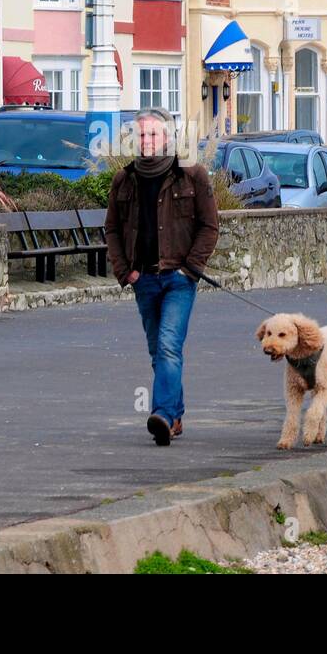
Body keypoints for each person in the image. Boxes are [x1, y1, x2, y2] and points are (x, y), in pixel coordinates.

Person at [104, 107, 220, 446]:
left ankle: (163, 416)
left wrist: (190, 268)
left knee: (170, 346)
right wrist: (126, 272)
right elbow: (112, 228)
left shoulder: (192, 175)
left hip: (179, 280)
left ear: (167, 137)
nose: (147, 140)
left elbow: (209, 226)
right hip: (145, 280)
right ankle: (176, 413)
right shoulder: (124, 179)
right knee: (158, 350)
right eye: (141, 135)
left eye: (153, 134)